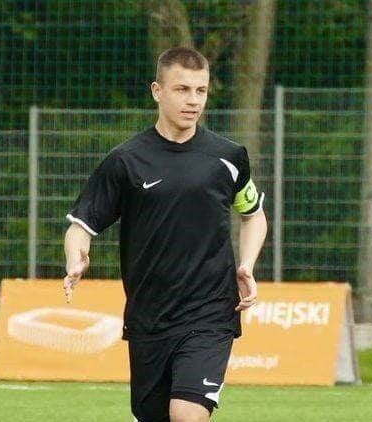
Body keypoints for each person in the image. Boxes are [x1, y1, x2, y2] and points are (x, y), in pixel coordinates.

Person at [64, 46, 267, 422]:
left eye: (201, 90)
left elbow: (253, 215)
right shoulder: (125, 161)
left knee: (187, 414)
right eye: (182, 89)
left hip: (210, 311)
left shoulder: (228, 157)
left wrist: (247, 264)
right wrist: (76, 258)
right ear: (157, 91)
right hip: (149, 317)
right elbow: (82, 225)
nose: (193, 100)